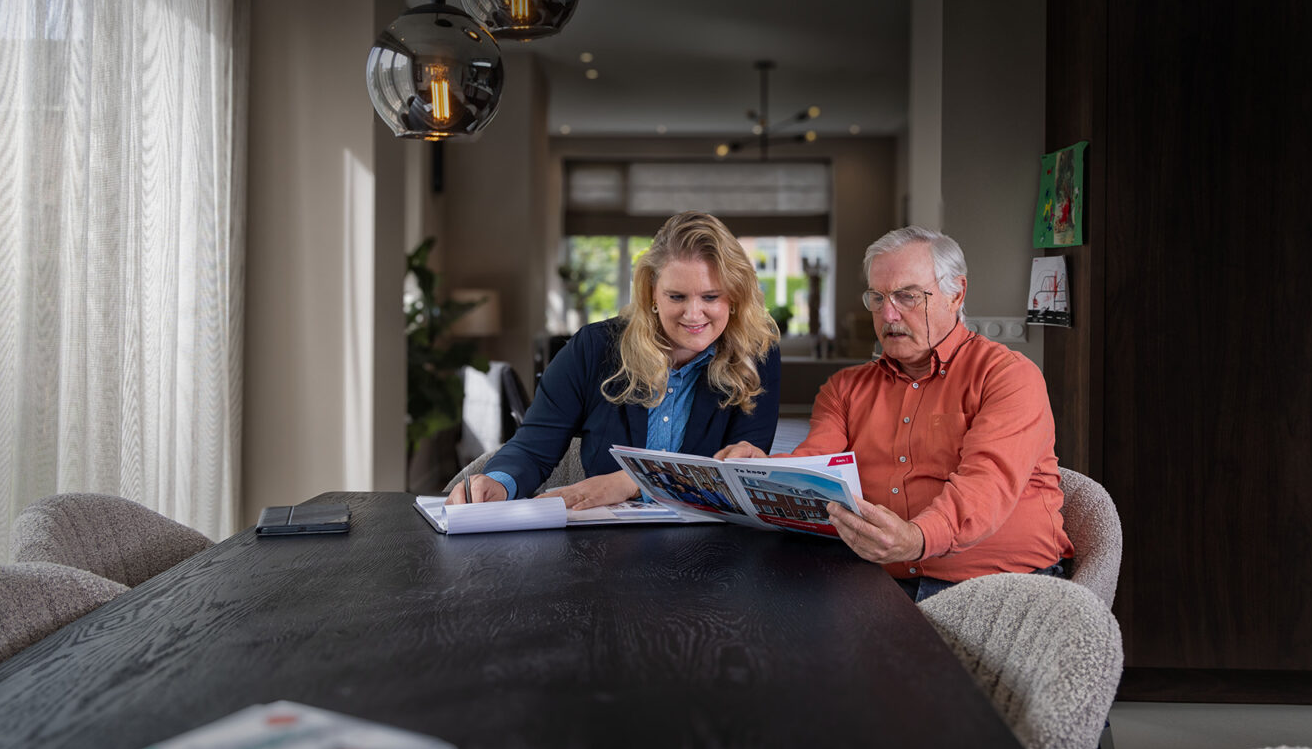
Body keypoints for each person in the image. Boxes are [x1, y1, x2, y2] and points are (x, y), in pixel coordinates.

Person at [717, 226, 1072, 601]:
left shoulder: (1007, 376)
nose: (888, 314)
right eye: (878, 297)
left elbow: (986, 485)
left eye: (907, 296)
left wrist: (917, 539)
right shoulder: (844, 388)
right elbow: (815, 468)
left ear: (957, 294)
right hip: (881, 584)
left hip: (998, 586)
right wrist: (764, 471)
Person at [447, 211, 782, 509]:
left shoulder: (757, 356)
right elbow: (533, 447)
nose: (693, 314)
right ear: (652, 292)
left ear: (735, 296)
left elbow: (739, 476)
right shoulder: (592, 348)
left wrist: (633, 483)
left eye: (710, 296)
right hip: (602, 548)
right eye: (676, 296)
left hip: (711, 554)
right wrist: (499, 483)